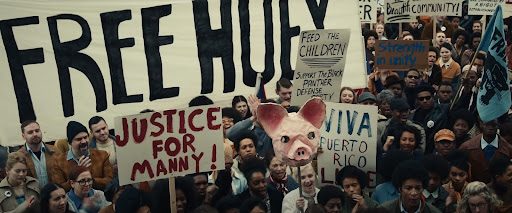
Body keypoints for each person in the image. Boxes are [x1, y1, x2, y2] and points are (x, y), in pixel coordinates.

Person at [52, 121, 114, 192]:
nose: (84, 141)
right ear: (70, 142)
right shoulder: (58, 162)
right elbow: (59, 189)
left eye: (85, 137)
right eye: (79, 139)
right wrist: (77, 174)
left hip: (99, 200)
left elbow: (109, 182)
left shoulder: (102, 155)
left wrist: (90, 180)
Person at [459, 119, 512, 183]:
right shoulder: (466, 147)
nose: (490, 128)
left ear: (498, 126)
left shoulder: (508, 149)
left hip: (501, 190)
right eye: (487, 125)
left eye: (494, 125)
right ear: (481, 124)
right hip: (474, 189)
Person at [17, 120, 61, 188]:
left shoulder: (55, 151)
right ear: (23, 136)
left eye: (37, 131)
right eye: (30, 132)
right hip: (32, 196)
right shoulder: (19, 156)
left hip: (54, 195)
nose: (35, 134)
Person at [409, 85, 450, 154]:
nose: (425, 101)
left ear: (433, 98)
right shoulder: (413, 116)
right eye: (421, 99)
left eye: (427, 98)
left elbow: (458, 105)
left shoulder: (442, 110)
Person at [231, 130, 260, 195]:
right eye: (244, 147)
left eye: (251, 146)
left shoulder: (265, 163)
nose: (248, 150)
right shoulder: (232, 168)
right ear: (238, 151)